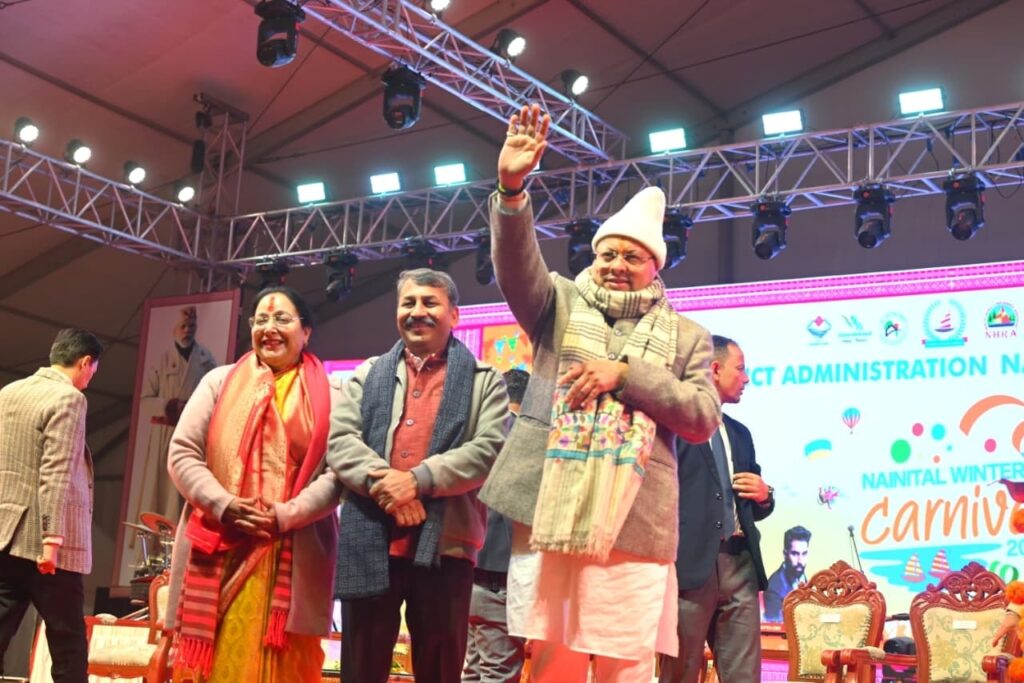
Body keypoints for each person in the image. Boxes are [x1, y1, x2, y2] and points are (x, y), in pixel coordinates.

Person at [479, 103, 721, 683]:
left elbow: (702, 416)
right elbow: (515, 266)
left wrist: (627, 375)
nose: (616, 265)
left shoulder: (688, 336)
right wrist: (511, 191)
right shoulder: (558, 302)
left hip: (635, 518)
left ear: (655, 266)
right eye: (607, 253)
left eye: (631, 256)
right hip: (549, 507)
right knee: (552, 657)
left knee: (626, 659)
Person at [329, 268, 508, 683]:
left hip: (448, 547)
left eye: (430, 302)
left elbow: (488, 451)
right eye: (408, 302)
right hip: (371, 540)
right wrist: (387, 486)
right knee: (360, 671)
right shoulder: (367, 374)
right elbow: (340, 442)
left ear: (454, 315)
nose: (417, 311)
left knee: (440, 670)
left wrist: (416, 481)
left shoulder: (485, 381)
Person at [163, 286, 343, 682]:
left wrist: (286, 515)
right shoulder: (219, 382)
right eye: (261, 320)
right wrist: (224, 504)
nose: (269, 328)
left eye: (282, 319)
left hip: (295, 548)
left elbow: (338, 473)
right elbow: (182, 453)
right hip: (221, 542)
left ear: (306, 331)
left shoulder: (334, 395)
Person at [659, 335, 775, 683]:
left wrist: (764, 496)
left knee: (744, 676)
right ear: (714, 369)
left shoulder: (740, 434)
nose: (747, 378)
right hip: (690, 565)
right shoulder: (673, 428)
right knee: (680, 672)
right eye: (740, 369)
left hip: (740, 563)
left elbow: (753, 506)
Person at [0, 328, 104, 683]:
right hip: (46, 548)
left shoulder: (9, 392)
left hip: (5, 534)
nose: (90, 379)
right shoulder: (69, 398)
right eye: (93, 371)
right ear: (85, 362)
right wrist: (51, 540)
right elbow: (56, 471)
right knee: (68, 642)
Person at [463, 368, 530, 683]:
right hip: (499, 579)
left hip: (466, 572)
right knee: (498, 674)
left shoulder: (474, 432)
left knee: (471, 672)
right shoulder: (523, 438)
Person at [132, 305, 218, 524]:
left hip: (192, 435)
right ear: (174, 329)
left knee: (183, 491)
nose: (187, 330)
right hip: (164, 435)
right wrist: (170, 406)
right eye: (183, 326)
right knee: (159, 489)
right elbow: (145, 400)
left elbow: (217, 398)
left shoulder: (206, 359)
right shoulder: (161, 360)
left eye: (192, 326)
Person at [763, 525, 811, 623]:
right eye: (795, 554)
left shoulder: (804, 579)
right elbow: (774, 626)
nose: (800, 561)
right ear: (785, 554)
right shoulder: (774, 588)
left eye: (804, 554)